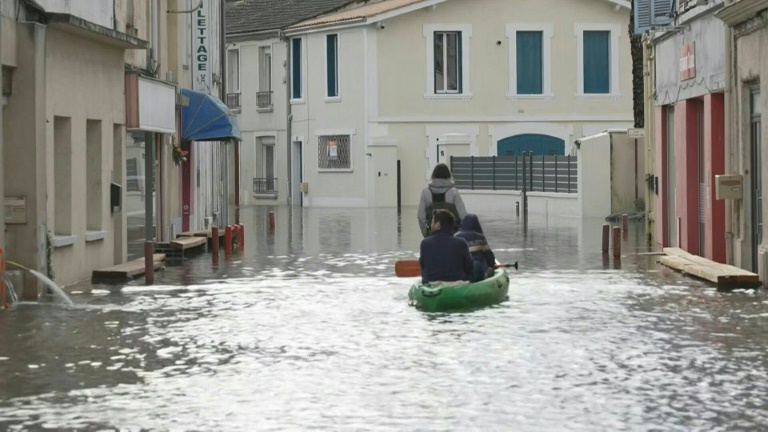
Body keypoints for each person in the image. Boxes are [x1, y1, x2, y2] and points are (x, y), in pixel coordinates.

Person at [419, 209, 474, 285]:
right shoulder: (461, 242)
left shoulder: (425, 243)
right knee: (478, 266)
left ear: (437, 225)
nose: (430, 225)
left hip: (432, 283)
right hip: (456, 282)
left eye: (432, 222)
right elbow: (469, 267)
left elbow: (423, 267)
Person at [417, 163, 467, 237]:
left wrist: (426, 234)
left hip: (433, 236)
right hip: (453, 235)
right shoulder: (453, 192)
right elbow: (464, 216)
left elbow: (421, 217)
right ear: (448, 176)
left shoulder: (425, 192)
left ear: (433, 176)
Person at [454, 214, 496, 282]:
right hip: (477, 269)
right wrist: (493, 264)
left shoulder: (455, 236)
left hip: (461, 271)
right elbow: (489, 255)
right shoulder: (480, 237)